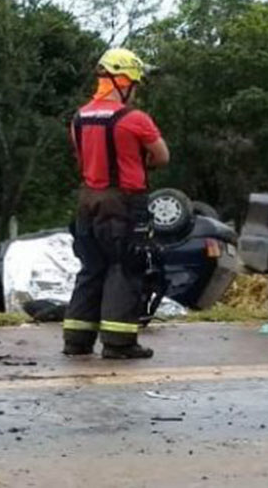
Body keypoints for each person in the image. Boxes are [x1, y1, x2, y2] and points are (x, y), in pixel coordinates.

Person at [62, 48, 170, 360]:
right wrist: (137, 161)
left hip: (87, 201)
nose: (135, 92)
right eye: (134, 84)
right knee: (125, 267)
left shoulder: (79, 118)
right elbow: (162, 156)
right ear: (122, 82)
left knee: (91, 268)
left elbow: (82, 159)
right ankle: (119, 343)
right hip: (123, 203)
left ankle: (76, 340)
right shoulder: (135, 119)